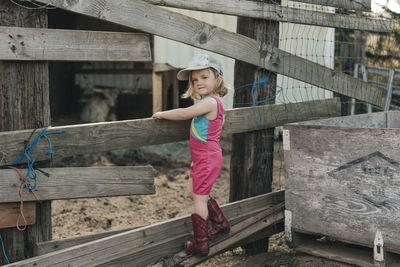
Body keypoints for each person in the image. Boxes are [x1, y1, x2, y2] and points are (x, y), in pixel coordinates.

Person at [152, 53, 231, 257]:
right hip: (201, 159)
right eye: (195, 80)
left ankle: (201, 243)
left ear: (217, 79)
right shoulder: (207, 102)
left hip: (207, 158)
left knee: (199, 199)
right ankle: (220, 223)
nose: (198, 82)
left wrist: (162, 114)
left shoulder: (211, 102)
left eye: (204, 77)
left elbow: (185, 114)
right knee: (192, 192)